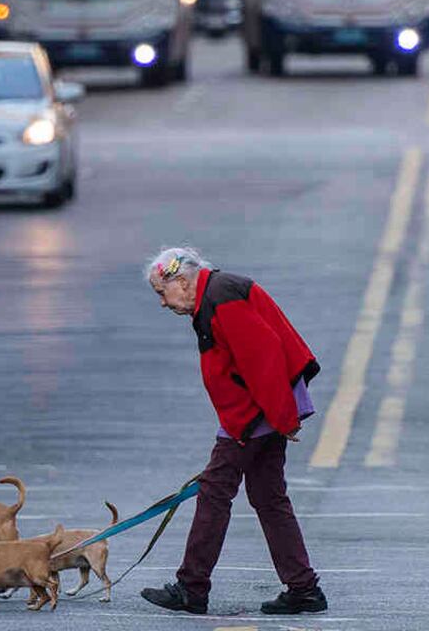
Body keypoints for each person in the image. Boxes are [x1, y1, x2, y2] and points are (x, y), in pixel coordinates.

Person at [139, 247, 327, 616]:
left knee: (214, 492)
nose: (162, 303)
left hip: (253, 413)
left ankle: (192, 588)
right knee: (269, 497)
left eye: (161, 292)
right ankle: (303, 588)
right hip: (258, 410)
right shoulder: (214, 294)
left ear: (181, 280)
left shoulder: (221, 296)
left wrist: (283, 417)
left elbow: (264, 358)